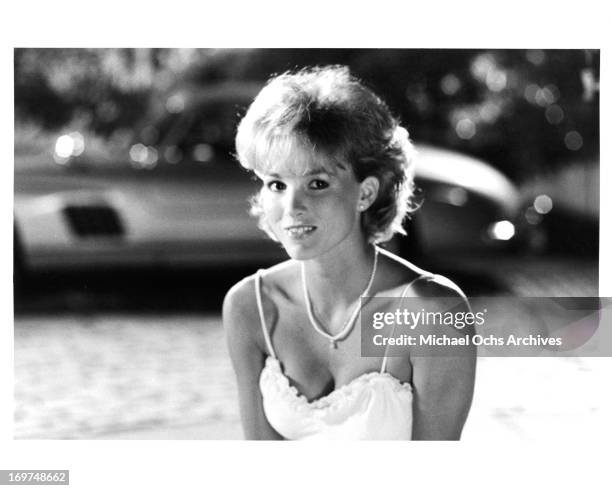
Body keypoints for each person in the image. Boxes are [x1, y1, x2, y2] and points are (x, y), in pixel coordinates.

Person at [223, 65, 476, 440]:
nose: (292, 206)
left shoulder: (434, 313)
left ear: (366, 193)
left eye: (317, 183)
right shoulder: (251, 307)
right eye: (276, 183)